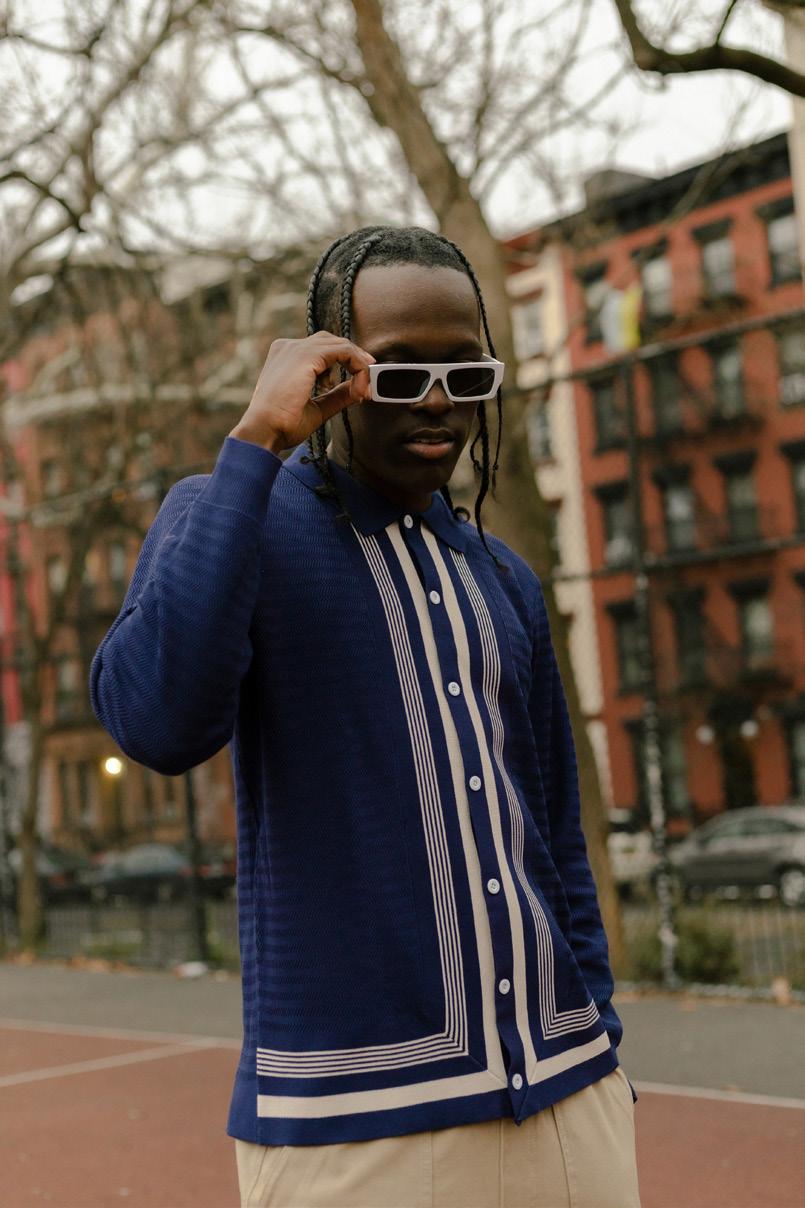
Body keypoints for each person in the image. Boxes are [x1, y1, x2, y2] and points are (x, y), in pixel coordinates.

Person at [89, 225, 641, 1208]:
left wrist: (600, 1036)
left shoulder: (504, 576)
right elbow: (156, 721)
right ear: (331, 373)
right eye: (400, 372)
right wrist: (256, 441)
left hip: (569, 1099)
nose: (436, 401)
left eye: (463, 373)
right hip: (352, 1122)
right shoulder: (233, 513)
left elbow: (554, 836)